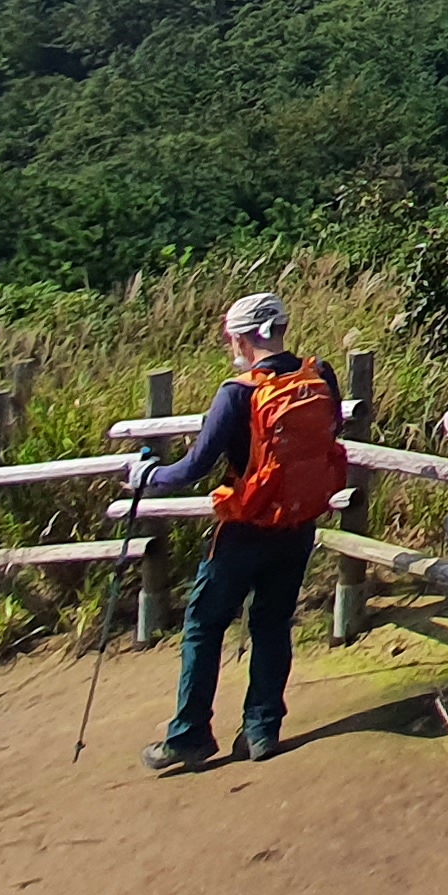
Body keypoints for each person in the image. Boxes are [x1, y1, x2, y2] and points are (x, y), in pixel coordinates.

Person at [136, 291, 350, 771]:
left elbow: (194, 467)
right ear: (281, 328)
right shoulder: (319, 376)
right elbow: (331, 431)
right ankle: (261, 730)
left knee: (203, 624)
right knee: (272, 623)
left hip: (245, 526)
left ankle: (189, 735)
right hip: (298, 523)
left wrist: (149, 476)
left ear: (241, 337)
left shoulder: (237, 393)